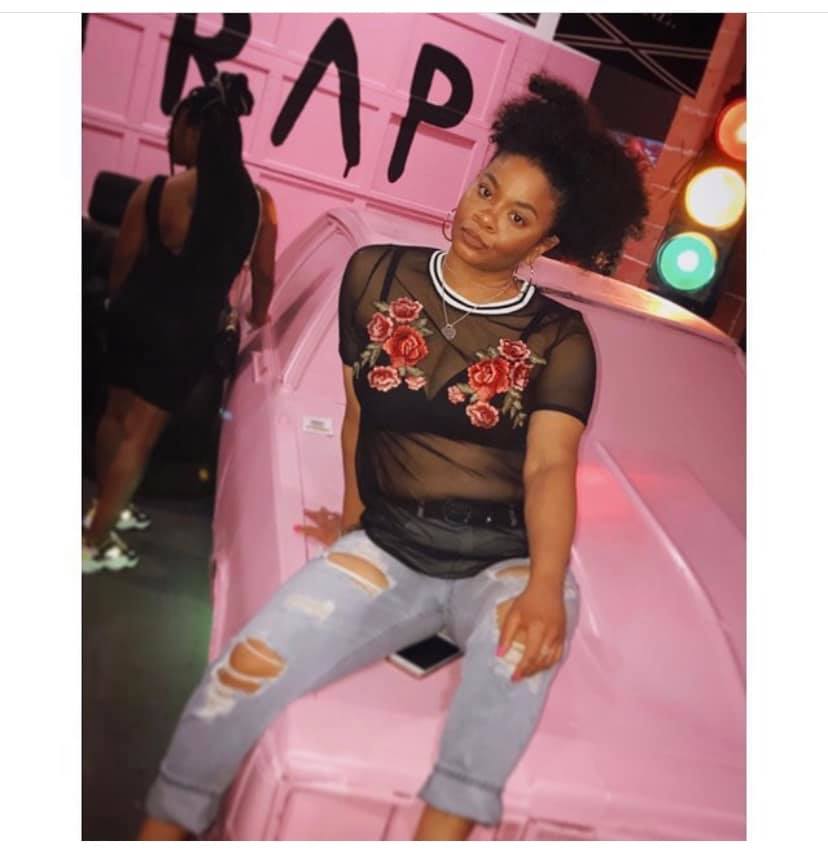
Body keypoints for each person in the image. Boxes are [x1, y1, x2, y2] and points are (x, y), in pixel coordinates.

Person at [137, 73, 647, 841]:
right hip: (393, 544)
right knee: (245, 668)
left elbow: (548, 468)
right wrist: (354, 519)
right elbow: (358, 414)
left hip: (505, 563)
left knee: (514, 665)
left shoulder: (559, 338)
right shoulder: (375, 274)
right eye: (487, 190)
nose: (486, 217)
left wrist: (546, 587)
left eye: (517, 216)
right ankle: (162, 827)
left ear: (543, 245)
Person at [82, 72, 278, 573]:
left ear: (195, 131)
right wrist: (257, 316)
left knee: (113, 418)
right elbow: (263, 275)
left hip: (133, 315)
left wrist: (119, 306)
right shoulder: (259, 205)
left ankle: (105, 509)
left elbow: (123, 262)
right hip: (186, 332)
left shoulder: (157, 191)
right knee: (140, 436)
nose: (171, 137)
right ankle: (94, 540)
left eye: (176, 128)